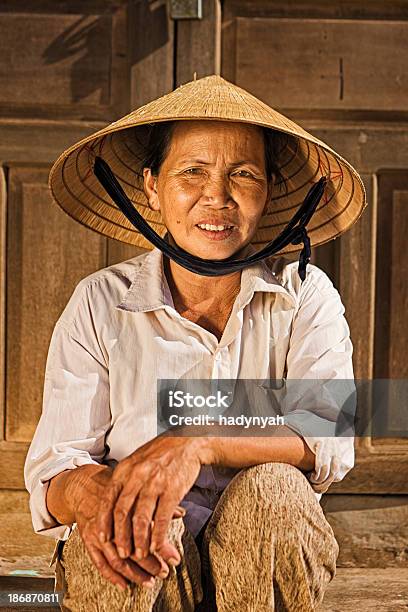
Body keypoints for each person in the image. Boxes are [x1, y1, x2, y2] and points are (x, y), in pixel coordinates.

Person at [24, 75, 365, 611]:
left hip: (262, 560)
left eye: (243, 174)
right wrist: (94, 493)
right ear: (152, 187)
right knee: (121, 510)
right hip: (147, 560)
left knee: (273, 490)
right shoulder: (99, 302)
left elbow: (329, 434)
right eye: (192, 172)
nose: (217, 196)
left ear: (269, 188)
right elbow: (56, 465)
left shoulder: (303, 294)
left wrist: (196, 441)